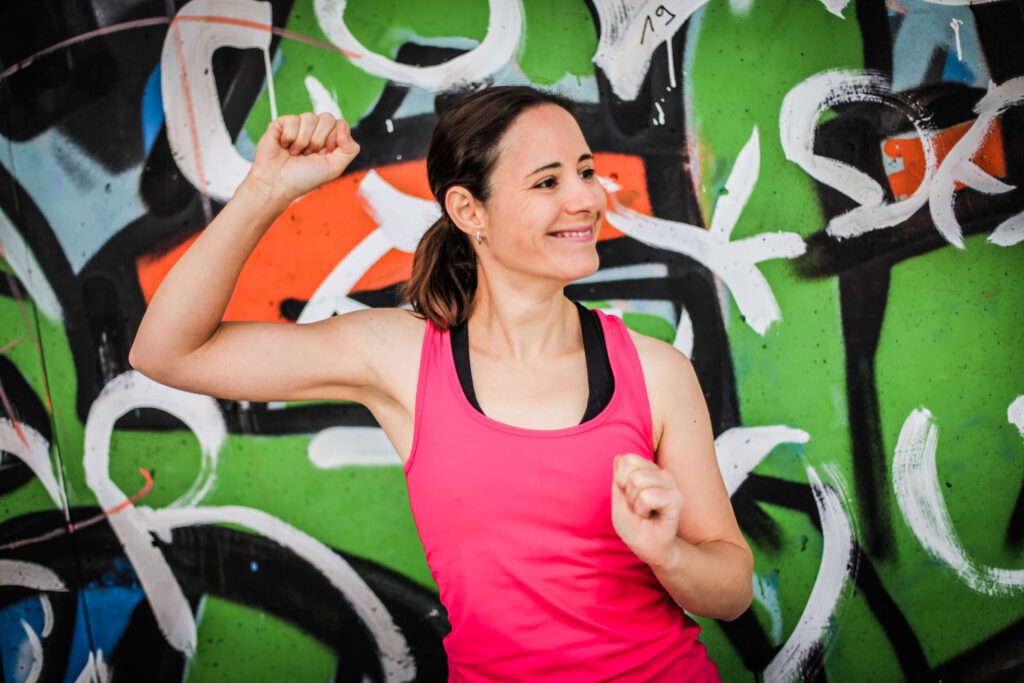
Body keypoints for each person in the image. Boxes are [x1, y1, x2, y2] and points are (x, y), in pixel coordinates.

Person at [130, 85, 753, 681]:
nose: (586, 199)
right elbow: (168, 353)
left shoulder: (655, 371)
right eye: (547, 182)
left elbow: (730, 590)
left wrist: (667, 553)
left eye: (585, 172)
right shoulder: (399, 356)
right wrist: (265, 190)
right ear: (467, 210)